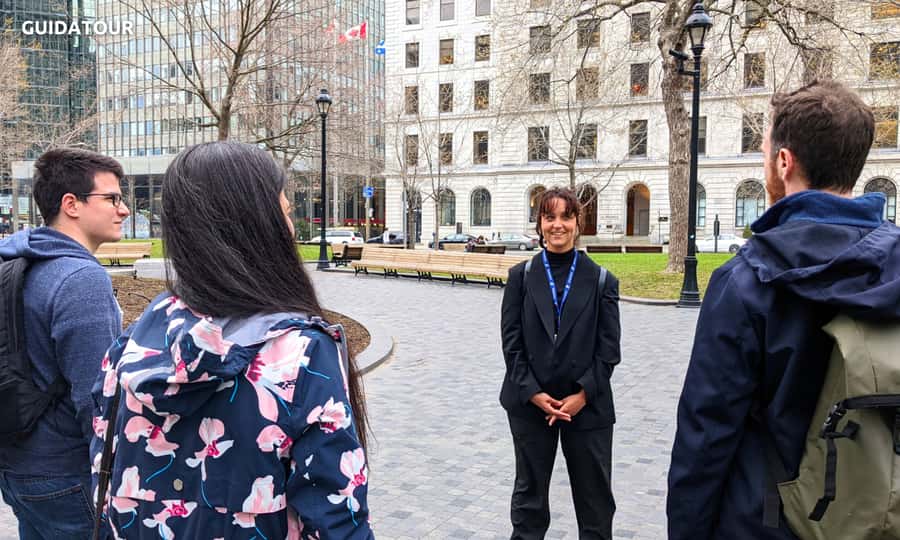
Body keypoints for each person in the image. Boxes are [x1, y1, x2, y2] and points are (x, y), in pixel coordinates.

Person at [90, 141, 373, 539]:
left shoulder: (132, 345)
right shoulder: (303, 355)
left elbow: (104, 473)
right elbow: (335, 517)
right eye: (286, 213)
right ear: (259, 226)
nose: (291, 229)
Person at [667, 80, 900, 539]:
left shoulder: (745, 280)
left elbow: (706, 435)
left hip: (764, 521)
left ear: (784, 161)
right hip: (875, 519)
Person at [0, 147, 129, 539]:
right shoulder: (80, 280)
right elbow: (98, 400)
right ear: (70, 204)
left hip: (18, 465)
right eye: (112, 198)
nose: (122, 210)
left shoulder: (15, 263)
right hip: (68, 474)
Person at [500, 187, 621, 539]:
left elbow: (609, 350)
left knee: (595, 504)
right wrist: (533, 392)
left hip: (587, 406)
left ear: (578, 222)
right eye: (549, 217)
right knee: (529, 502)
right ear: (539, 223)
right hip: (529, 404)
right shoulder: (520, 278)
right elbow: (512, 344)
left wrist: (582, 395)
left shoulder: (601, 280)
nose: (558, 225)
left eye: (566, 217)